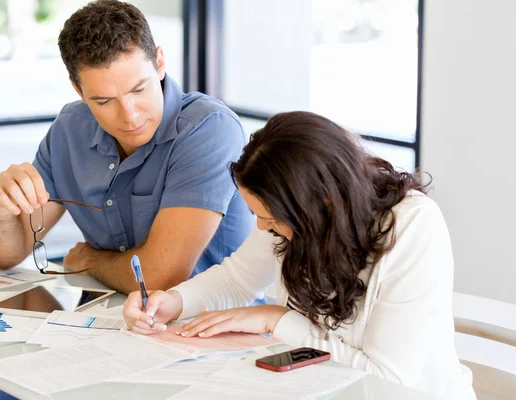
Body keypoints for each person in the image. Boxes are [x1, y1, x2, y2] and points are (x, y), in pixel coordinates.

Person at [123, 111, 476, 399]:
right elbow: (236, 278)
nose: (262, 229)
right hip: (315, 387)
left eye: (271, 219)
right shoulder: (292, 219)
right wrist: (173, 302)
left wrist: (275, 320)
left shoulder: (412, 226)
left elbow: (386, 379)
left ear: (319, 204)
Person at [0, 0, 253, 294]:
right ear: (78, 90)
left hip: (205, 330)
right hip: (99, 326)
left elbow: (160, 279)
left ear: (160, 63)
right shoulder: (70, 130)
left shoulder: (209, 129)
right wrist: (0, 205)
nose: (130, 115)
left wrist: (91, 262)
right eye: (104, 101)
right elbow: (3, 257)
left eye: (139, 89)